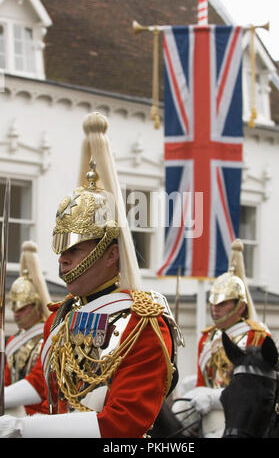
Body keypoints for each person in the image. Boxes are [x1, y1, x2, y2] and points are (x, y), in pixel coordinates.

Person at [0, 111, 182, 438]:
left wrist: (23, 429)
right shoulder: (60, 318)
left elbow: (123, 424)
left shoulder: (141, 323)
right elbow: (45, 385)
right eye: (62, 251)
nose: (63, 262)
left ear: (112, 254)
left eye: (75, 250)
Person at [172, 239, 271, 437]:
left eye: (223, 304)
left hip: (238, 406)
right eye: (213, 303)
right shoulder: (207, 338)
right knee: (174, 417)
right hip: (205, 400)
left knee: (214, 432)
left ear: (240, 306)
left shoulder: (256, 335)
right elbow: (202, 381)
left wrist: (213, 398)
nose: (215, 309)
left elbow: (254, 386)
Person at [5, 241, 50, 415]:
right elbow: (7, 381)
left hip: (41, 415)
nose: (16, 313)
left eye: (22, 308)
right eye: (14, 308)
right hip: (15, 412)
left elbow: (40, 383)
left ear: (38, 306)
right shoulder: (12, 340)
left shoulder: (48, 336)